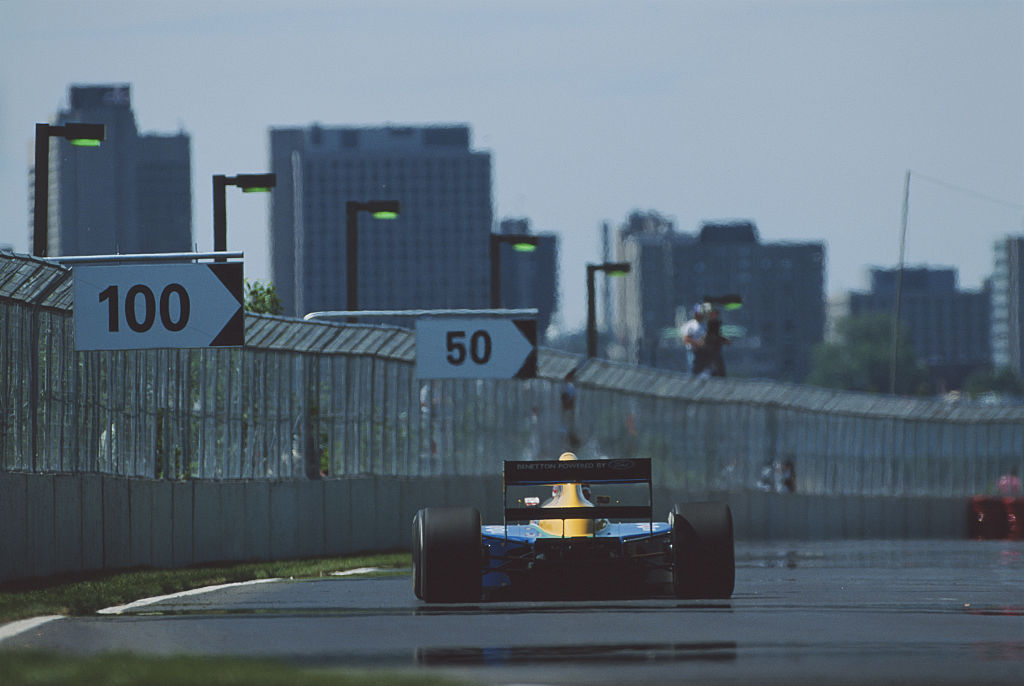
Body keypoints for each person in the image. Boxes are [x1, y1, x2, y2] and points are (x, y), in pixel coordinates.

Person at [681, 304, 708, 375]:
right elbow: (686, 339)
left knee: (704, 372)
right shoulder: (690, 325)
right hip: (692, 353)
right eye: (696, 313)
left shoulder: (705, 325)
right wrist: (697, 343)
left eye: (700, 313)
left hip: (703, 353)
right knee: (692, 371)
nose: (698, 315)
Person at [703, 308, 730, 377]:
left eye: (715, 314)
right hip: (710, 348)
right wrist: (723, 340)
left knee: (717, 365)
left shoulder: (716, 322)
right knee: (713, 364)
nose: (714, 316)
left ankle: (717, 375)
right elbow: (712, 335)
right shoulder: (710, 323)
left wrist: (723, 340)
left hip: (715, 347)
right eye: (712, 314)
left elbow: (716, 335)